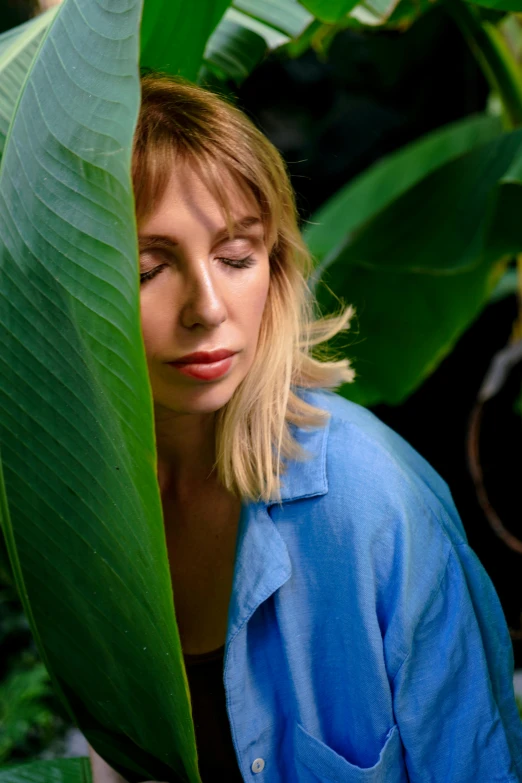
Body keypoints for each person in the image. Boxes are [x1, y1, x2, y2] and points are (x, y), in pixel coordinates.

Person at [88, 72, 522, 783]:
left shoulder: (376, 503)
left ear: (277, 264)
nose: (208, 306)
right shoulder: (84, 496)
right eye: (147, 268)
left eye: (236, 257)